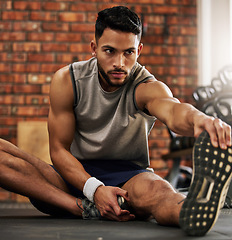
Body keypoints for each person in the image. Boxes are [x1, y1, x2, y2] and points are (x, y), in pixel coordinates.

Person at [0, 6, 231, 236]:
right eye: (109, 51)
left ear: (139, 50)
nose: (119, 63)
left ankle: (192, 210)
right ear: (94, 48)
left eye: (128, 52)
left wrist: (199, 119)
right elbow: (59, 150)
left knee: (159, 190)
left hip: (129, 179)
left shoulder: (146, 86)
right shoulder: (68, 80)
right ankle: (82, 207)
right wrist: (95, 189)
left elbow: (173, 111)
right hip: (74, 177)